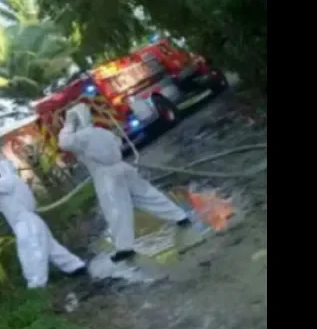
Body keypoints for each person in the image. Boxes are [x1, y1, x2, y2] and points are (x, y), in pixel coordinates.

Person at [58, 103, 209, 263]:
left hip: (106, 176)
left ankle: (124, 248)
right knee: (148, 195)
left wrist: (69, 122)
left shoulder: (80, 137)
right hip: (123, 168)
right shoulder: (102, 132)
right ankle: (180, 217)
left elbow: (63, 142)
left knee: (116, 210)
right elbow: (118, 142)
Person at [0, 156, 88, 288]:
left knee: (31, 253)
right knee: (51, 248)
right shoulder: (0, 190)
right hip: (27, 222)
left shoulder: (11, 180)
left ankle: (36, 285)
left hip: (26, 223)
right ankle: (75, 267)